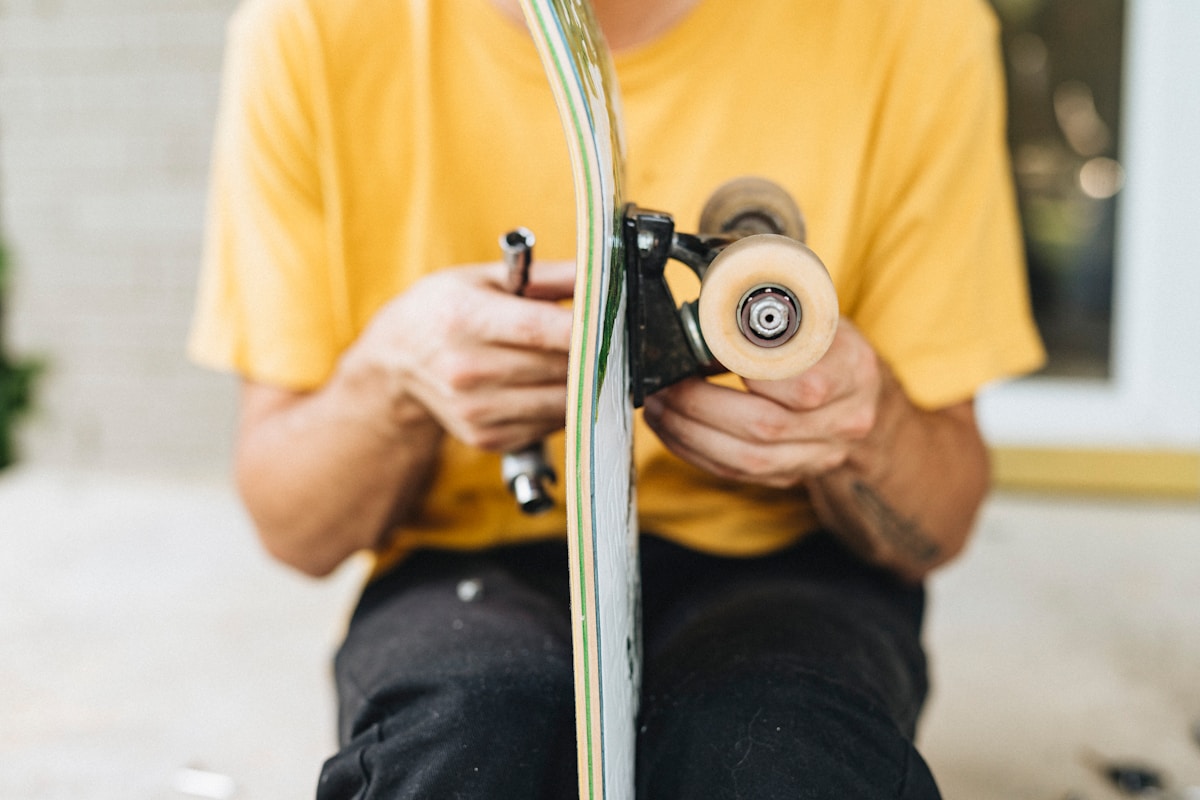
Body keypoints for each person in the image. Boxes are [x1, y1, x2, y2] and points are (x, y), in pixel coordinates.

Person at [190, 0, 1045, 796]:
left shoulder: (913, 27)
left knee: (781, 750)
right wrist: (391, 383)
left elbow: (938, 523)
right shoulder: (313, 31)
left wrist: (867, 427)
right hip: (471, 563)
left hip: (787, 555)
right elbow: (295, 528)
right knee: (464, 740)